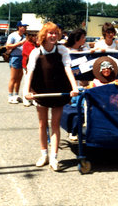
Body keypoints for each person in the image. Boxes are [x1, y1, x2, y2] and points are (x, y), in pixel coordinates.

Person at [23, 22, 79, 172]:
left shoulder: (62, 50)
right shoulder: (36, 52)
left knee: (55, 124)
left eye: (55, 33)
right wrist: (26, 91)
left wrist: (74, 87)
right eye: (50, 33)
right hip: (41, 91)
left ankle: (54, 157)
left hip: (58, 90)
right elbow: (30, 73)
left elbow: (68, 69)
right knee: (42, 124)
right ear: (44, 35)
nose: (53, 36)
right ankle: (44, 155)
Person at [6, 21, 28, 104]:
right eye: (23, 26)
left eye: (25, 27)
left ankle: (16, 95)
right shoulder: (12, 35)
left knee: (19, 78)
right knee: (13, 78)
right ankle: (10, 96)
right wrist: (20, 43)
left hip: (22, 58)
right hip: (15, 57)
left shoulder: (24, 36)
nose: (24, 28)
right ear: (19, 27)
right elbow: (8, 45)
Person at [22, 30, 38, 107]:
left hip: (34, 66)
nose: (36, 37)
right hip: (27, 66)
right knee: (27, 82)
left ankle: (33, 98)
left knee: (34, 83)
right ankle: (26, 99)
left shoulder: (35, 44)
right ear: (31, 37)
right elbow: (30, 54)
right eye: (34, 36)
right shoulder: (27, 44)